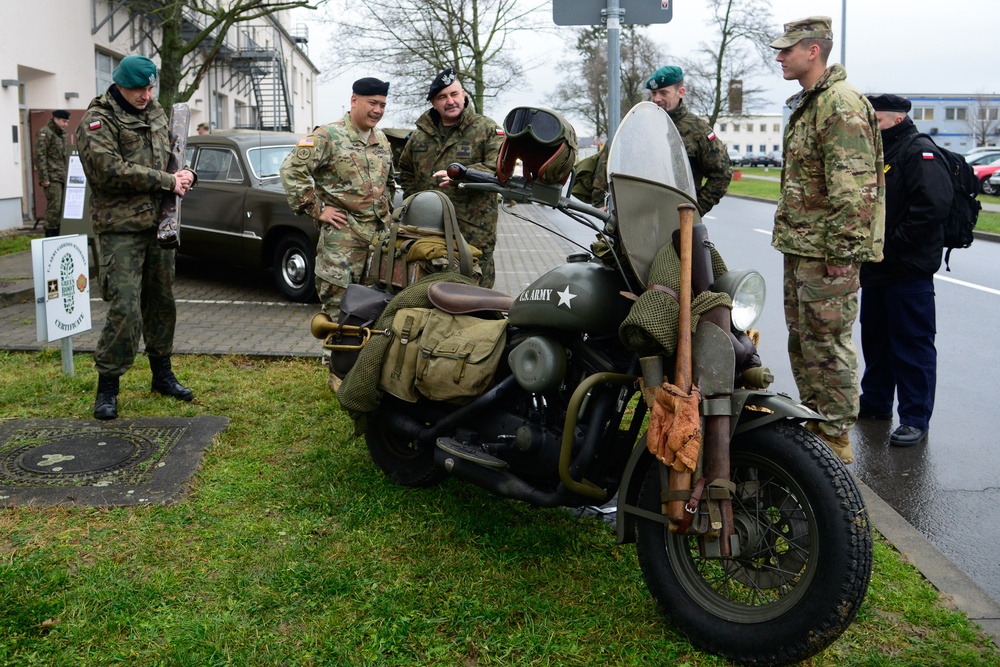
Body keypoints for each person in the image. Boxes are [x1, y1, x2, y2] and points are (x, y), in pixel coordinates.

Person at [769, 17, 885, 464]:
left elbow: (854, 190)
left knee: (828, 343)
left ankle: (836, 439)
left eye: (787, 50)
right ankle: (818, 423)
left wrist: (842, 255)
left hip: (826, 253)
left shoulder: (839, 103)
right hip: (803, 248)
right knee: (804, 342)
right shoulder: (811, 103)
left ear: (813, 51)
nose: (780, 57)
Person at [76, 55, 197, 420]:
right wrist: (166, 181)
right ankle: (107, 387)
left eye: (150, 87)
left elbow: (171, 156)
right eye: (139, 89)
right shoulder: (98, 121)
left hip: (160, 225)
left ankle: (162, 374)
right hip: (121, 230)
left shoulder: (157, 112)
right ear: (119, 85)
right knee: (125, 310)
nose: (146, 95)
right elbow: (107, 170)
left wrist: (186, 173)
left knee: (161, 303)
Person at [859, 94, 950, 447]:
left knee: (912, 347)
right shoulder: (880, 152)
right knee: (877, 342)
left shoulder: (918, 151)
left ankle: (914, 418)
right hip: (879, 269)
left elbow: (932, 207)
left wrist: (890, 244)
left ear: (896, 120)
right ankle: (877, 402)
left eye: (876, 121)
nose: (870, 127)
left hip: (908, 271)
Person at [281, 77, 394, 319]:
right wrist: (317, 208)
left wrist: (388, 216)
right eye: (372, 103)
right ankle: (331, 359)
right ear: (354, 100)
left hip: (376, 245)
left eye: (383, 105)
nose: (378, 110)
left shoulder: (382, 139)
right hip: (342, 246)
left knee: (373, 315)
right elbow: (291, 170)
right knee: (338, 317)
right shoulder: (327, 135)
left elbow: (388, 184)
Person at [398, 68, 503, 287]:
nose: (450, 101)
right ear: (434, 103)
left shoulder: (486, 129)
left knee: (475, 286)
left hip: (473, 227)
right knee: (431, 281)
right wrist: (415, 200)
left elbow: (498, 167)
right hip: (429, 227)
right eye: (442, 97)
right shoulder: (420, 135)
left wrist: (463, 174)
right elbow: (406, 169)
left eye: (454, 94)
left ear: (463, 94)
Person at [644, 65, 732, 214]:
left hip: (677, 221)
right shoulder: (642, 125)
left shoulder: (698, 130)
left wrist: (695, 211)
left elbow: (721, 174)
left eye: (663, 93)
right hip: (640, 215)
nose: (656, 99)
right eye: (654, 93)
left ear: (681, 92)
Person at [33, 109, 71, 237]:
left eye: (67, 122)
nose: (66, 124)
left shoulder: (62, 134)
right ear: (56, 119)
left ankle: (59, 235)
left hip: (62, 176)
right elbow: (40, 156)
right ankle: (50, 236)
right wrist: (44, 178)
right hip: (52, 177)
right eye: (64, 121)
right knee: (54, 208)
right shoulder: (45, 133)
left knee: (61, 209)